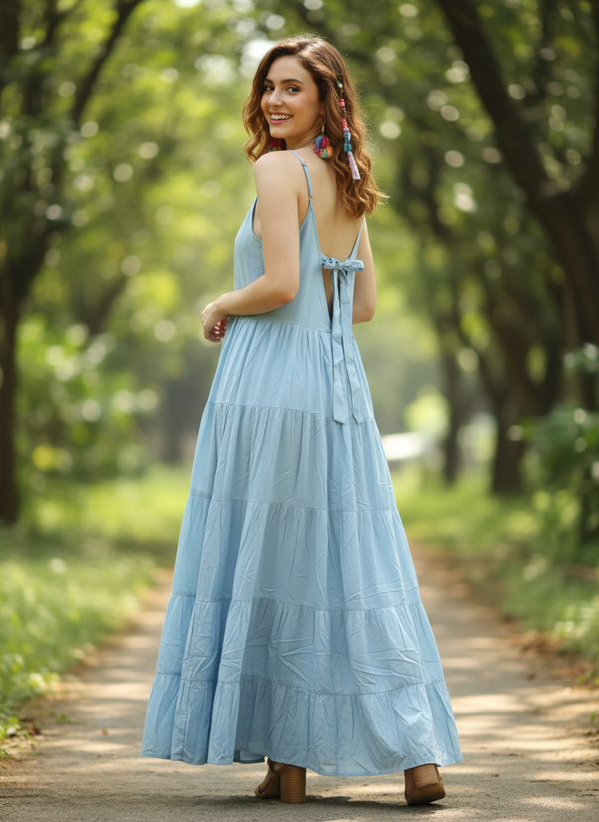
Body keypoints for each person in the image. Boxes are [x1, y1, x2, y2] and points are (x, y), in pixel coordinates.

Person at [141, 34, 462, 806]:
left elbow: (281, 283)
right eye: (269, 88)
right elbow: (362, 304)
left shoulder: (277, 169)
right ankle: (413, 758)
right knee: (355, 561)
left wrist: (221, 301)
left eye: (292, 89)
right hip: (338, 386)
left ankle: (288, 760)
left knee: (272, 555)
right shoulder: (347, 178)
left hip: (269, 381)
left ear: (326, 99)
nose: (275, 102)